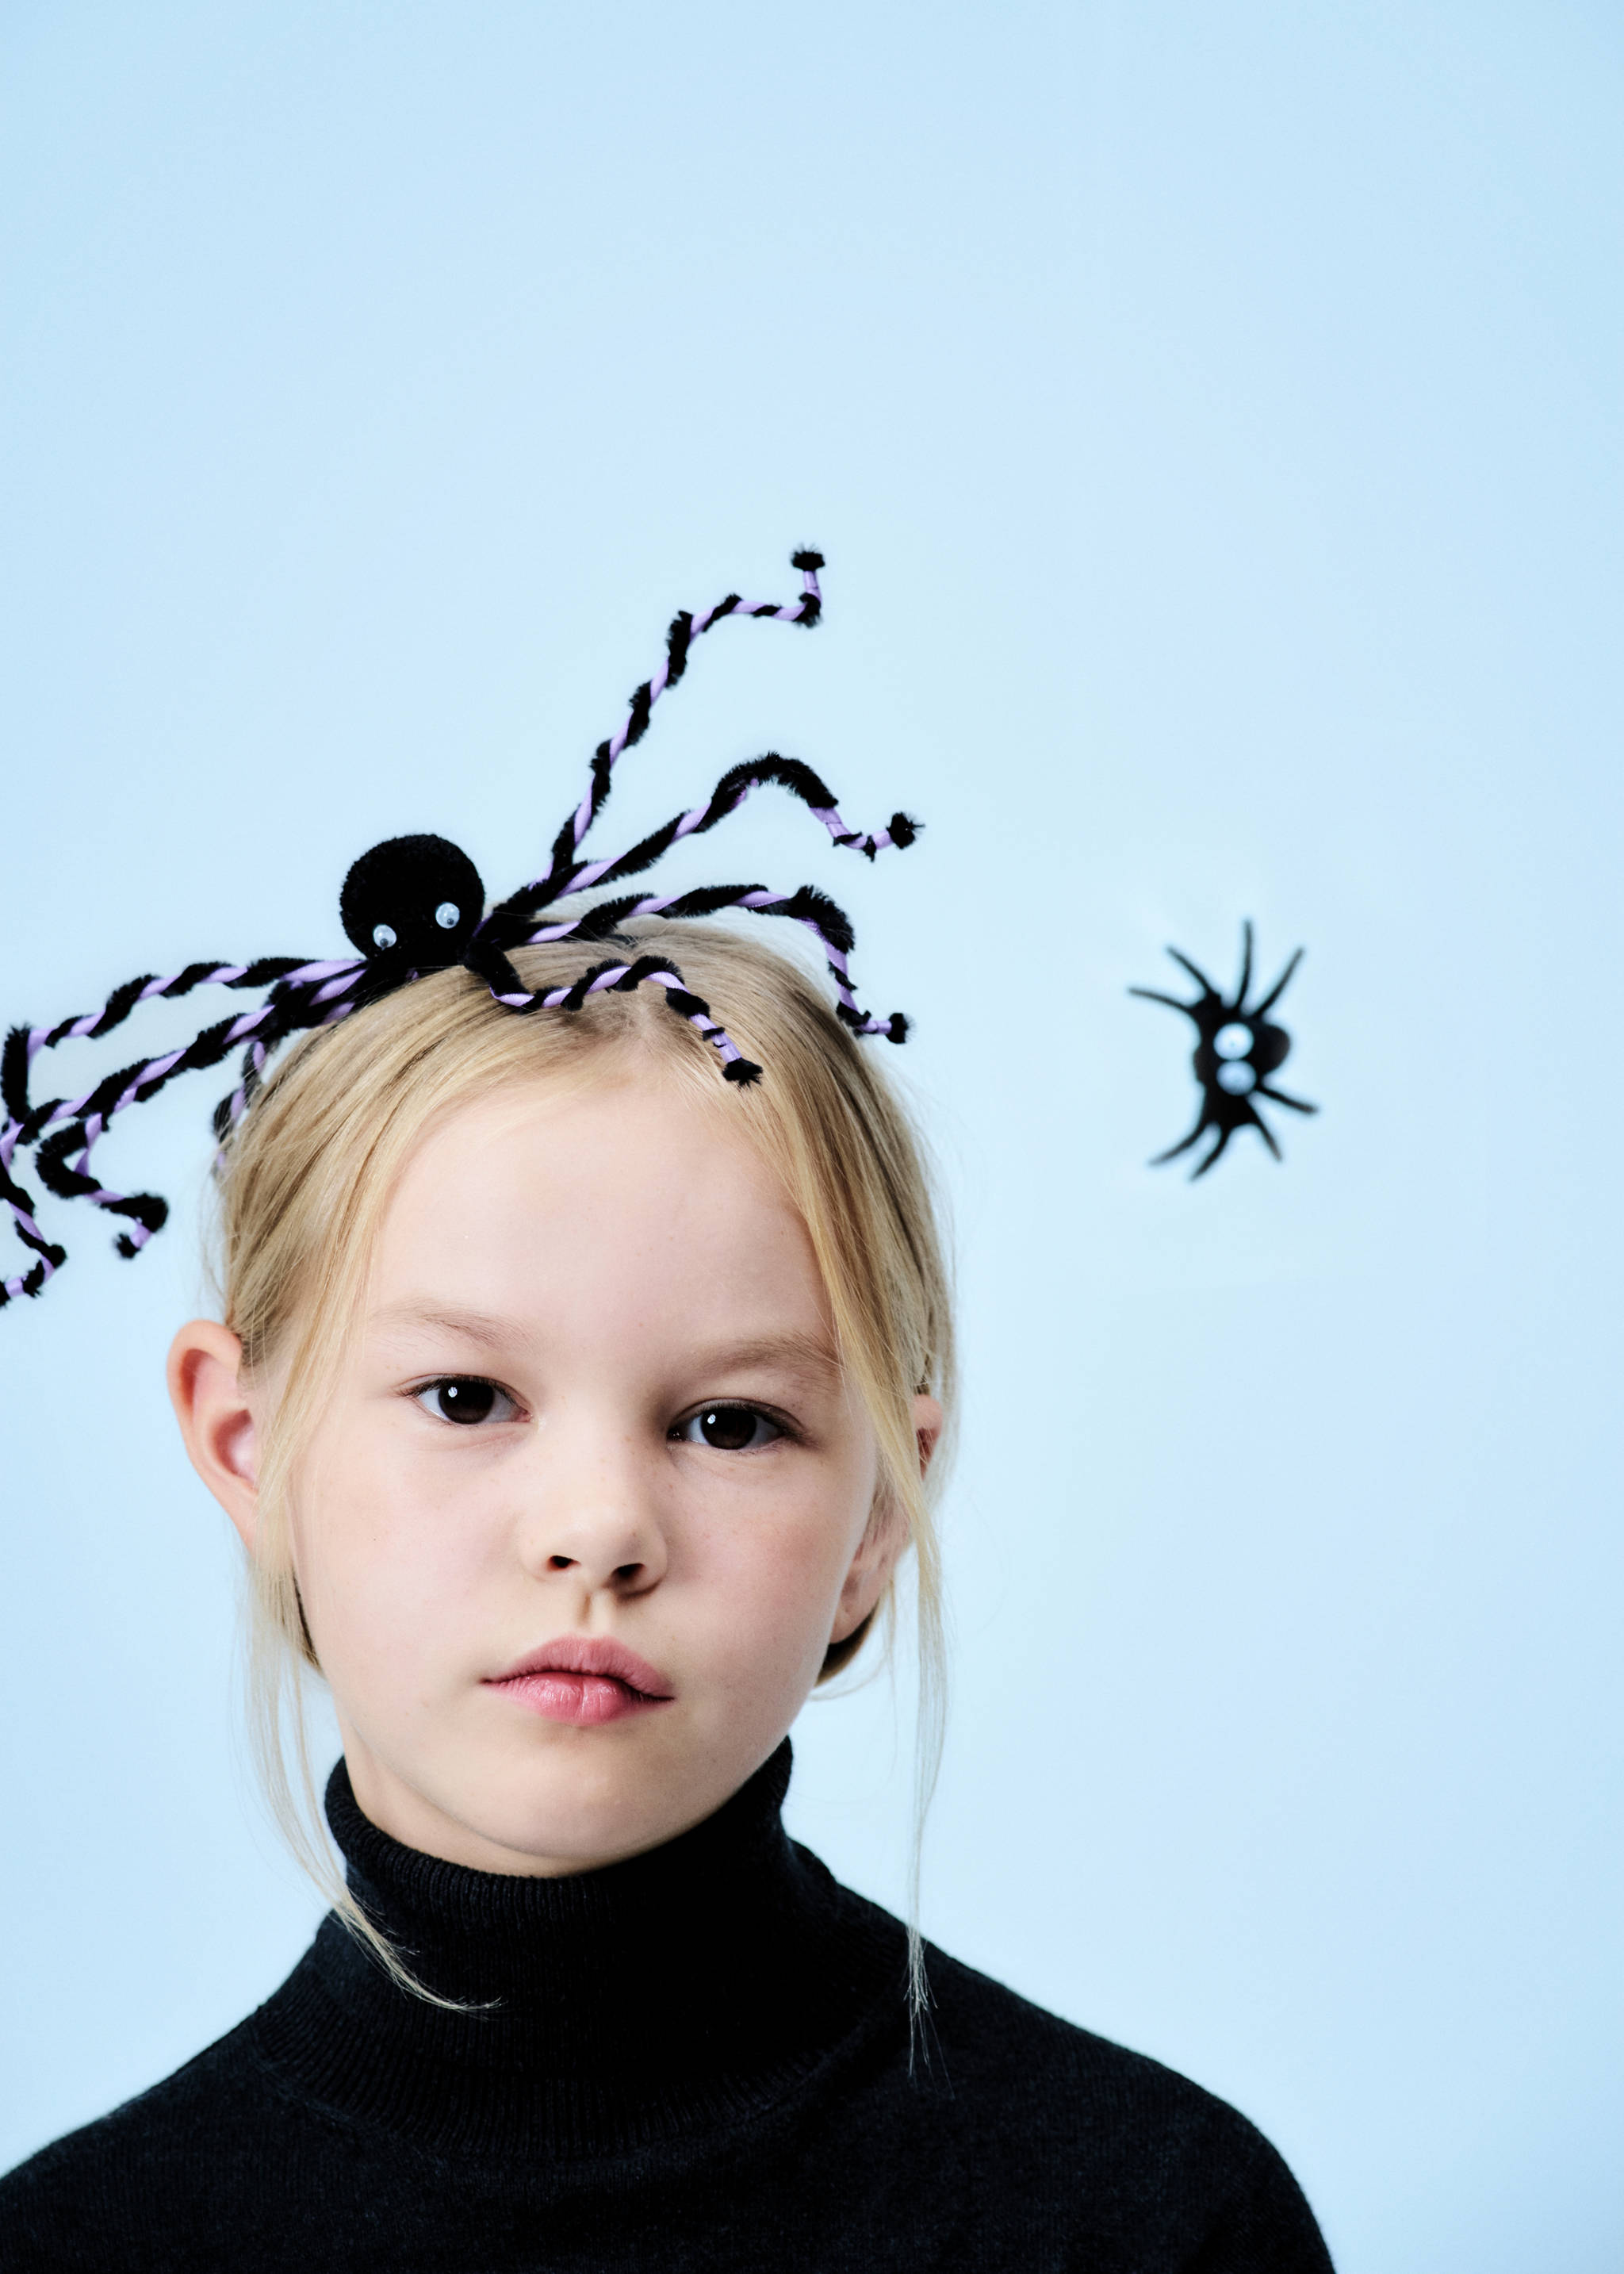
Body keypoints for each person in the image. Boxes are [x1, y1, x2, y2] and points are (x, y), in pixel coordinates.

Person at [0, 556, 1333, 2268]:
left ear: (875, 1517)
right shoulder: (81, 2251)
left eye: (727, 1425)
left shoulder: (1147, 2220)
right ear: (248, 1447)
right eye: (466, 1395)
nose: (599, 1529)